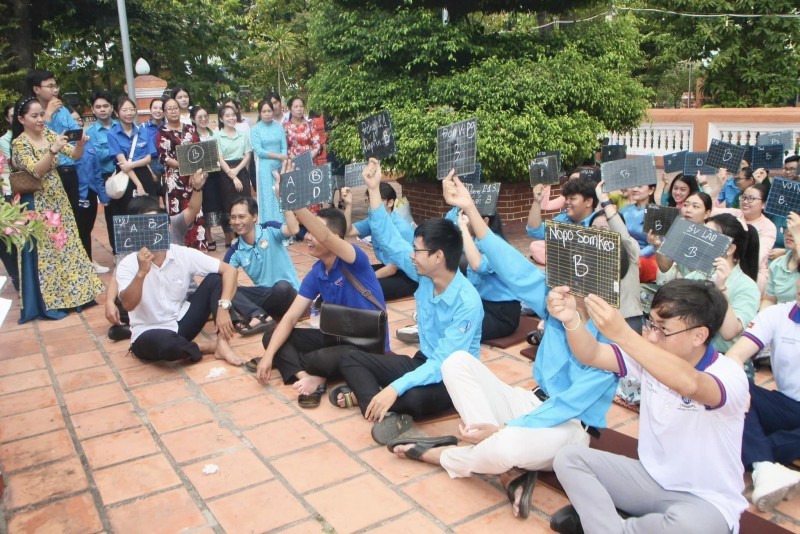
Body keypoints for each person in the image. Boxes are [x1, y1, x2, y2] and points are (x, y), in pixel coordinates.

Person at [386, 172, 620, 519]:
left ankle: (442, 455)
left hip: (569, 427)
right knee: (456, 362)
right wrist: (469, 208)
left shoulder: (611, 338)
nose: (562, 283)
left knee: (508, 444)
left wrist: (508, 430)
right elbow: (511, 265)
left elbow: (569, 404)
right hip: (530, 402)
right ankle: (498, 456)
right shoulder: (555, 300)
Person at [547, 279, 748, 534]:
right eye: (650, 323)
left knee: (687, 527)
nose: (652, 336)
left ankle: (605, 524)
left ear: (699, 335)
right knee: (569, 459)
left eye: (663, 329)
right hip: (649, 478)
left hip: (705, 500)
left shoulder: (728, 374)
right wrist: (571, 320)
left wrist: (623, 333)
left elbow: (690, 384)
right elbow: (591, 354)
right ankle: (618, 527)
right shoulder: (648, 355)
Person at [337, 160, 485, 445]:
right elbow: (391, 242)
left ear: (438, 256)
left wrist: (395, 387)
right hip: (423, 362)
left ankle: (379, 398)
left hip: (451, 378)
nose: (412, 256)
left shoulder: (468, 302)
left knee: (412, 396)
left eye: (417, 251)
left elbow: (443, 363)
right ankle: (380, 404)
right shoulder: (427, 276)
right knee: (350, 357)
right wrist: (373, 189)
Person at [255, 199, 388, 409]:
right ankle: (308, 377)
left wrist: (292, 200)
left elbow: (324, 235)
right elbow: (290, 318)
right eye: (307, 232)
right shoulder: (317, 272)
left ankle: (314, 372)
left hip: (367, 344)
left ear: (334, 238)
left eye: (313, 232)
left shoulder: (355, 260)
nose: (307, 236)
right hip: (336, 338)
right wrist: (268, 357)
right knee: (272, 337)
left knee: (316, 358)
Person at [116, 194, 245, 365]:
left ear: (167, 227)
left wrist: (223, 307)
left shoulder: (181, 253)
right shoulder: (128, 263)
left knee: (216, 278)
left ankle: (221, 344)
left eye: (155, 224)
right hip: (149, 332)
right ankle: (203, 347)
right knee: (167, 345)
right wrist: (141, 273)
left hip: (181, 322)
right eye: (144, 226)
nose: (151, 231)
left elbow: (230, 271)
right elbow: (128, 305)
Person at [11, 97, 104, 323]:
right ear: (22, 119)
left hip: (58, 198)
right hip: (37, 202)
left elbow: (74, 155)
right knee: (46, 253)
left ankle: (75, 296)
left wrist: (80, 144)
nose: (40, 119)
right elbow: (35, 171)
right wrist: (52, 151)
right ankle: (50, 302)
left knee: (66, 245)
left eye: (41, 115)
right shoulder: (20, 143)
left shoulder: (49, 133)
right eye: (34, 116)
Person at [104, 169, 208, 341]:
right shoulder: (131, 239)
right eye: (140, 220)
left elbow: (193, 209)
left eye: (151, 218)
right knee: (122, 302)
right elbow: (117, 276)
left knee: (215, 291)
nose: (147, 225)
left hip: (183, 296)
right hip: (150, 300)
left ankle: (138, 329)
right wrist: (108, 302)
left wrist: (197, 188)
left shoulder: (171, 224)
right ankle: (147, 327)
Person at [727, 278, 800, 511]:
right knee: (737, 385)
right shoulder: (779, 314)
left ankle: (756, 453)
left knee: (734, 429)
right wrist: (739, 389)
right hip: (787, 404)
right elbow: (733, 357)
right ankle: (764, 466)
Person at [223, 196, 299, 334]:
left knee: (282, 286)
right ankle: (259, 315)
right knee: (227, 288)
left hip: (289, 295)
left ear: (254, 217)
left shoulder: (269, 229)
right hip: (266, 298)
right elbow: (224, 278)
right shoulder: (235, 251)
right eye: (233, 217)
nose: (236, 222)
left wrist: (284, 199)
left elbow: (293, 229)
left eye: (241, 216)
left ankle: (255, 313)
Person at [343, 182, 418, 302]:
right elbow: (347, 231)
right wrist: (348, 204)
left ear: (390, 202)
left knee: (365, 289)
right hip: (389, 268)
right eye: (370, 200)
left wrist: (366, 278)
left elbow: (392, 268)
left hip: (408, 275)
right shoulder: (373, 221)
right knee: (350, 274)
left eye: (378, 200)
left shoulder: (401, 228)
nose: (372, 204)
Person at [26, 70, 82, 219]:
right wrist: (48, 115)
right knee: (53, 218)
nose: (55, 90)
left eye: (56, 85)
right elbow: (39, 141)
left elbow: (75, 134)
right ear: (37, 89)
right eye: (50, 86)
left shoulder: (62, 110)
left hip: (70, 169)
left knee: (73, 216)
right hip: (49, 173)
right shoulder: (30, 113)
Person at [107, 97, 159, 247]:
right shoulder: (113, 134)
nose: (129, 113)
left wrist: (133, 164)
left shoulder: (143, 132)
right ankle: (128, 249)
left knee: (149, 211)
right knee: (127, 214)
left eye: (131, 109)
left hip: (144, 175)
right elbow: (123, 164)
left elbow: (149, 157)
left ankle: (151, 245)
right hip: (126, 179)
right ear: (117, 113)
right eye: (125, 110)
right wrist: (138, 185)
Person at [157, 96, 205, 249]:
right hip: (175, 180)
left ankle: (197, 247)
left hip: (193, 178)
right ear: (164, 112)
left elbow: (199, 150)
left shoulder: (190, 128)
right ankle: (179, 248)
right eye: (169, 109)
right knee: (178, 214)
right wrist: (187, 168)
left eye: (175, 108)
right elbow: (165, 157)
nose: (173, 111)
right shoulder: (162, 132)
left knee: (196, 210)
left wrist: (194, 172)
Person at [526, 177, 598, 266]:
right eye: (566, 198)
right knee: (536, 246)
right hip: (564, 272)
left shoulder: (600, 223)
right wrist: (537, 201)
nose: (567, 202)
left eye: (572, 199)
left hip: (589, 272)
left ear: (589, 202)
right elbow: (535, 231)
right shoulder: (563, 219)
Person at [215, 105, 252, 247]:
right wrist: (232, 175)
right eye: (227, 116)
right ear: (221, 119)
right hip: (225, 173)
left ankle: (245, 235)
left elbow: (247, 155)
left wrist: (237, 171)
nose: (231, 118)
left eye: (233, 115)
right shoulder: (217, 136)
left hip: (241, 170)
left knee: (244, 203)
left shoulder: (242, 134)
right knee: (228, 205)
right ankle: (230, 236)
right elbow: (220, 158)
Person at [250, 98, 287, 224]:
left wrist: (283, 158)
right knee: (267, 197)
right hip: (265, 168)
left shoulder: (279, 127)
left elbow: (284, 147)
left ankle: (284, 230)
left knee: (281, 197)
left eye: (269, 110)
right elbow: (259, 151)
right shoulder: (255, 129)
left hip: (280, 166)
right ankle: (268, 228)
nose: (267, 113)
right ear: (259, 113)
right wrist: (279, 156)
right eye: (264, 111)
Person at [191, 105, 223, 250]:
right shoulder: (192, 136)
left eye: (205, 116)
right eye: (200, 117)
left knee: (216, 204)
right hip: (201, 175)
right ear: (193, 119)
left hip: (216, 174)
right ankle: (207, 236)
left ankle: (227, 234)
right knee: (204, 205)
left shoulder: (214, 133)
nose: (203, 119)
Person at [619, 182, 658, 282]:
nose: (635, 189)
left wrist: (637, 256)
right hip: (623, 253)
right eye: (634, 185)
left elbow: (656, 244)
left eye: (640, 186)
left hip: (644, 258)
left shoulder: (656, 213)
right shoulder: (624, 209)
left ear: (651, 190)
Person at [762, 212, 800, 308]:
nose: (789, 233)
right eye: (787, 228)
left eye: (795, 230)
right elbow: (769, 300)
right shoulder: (776, 264)